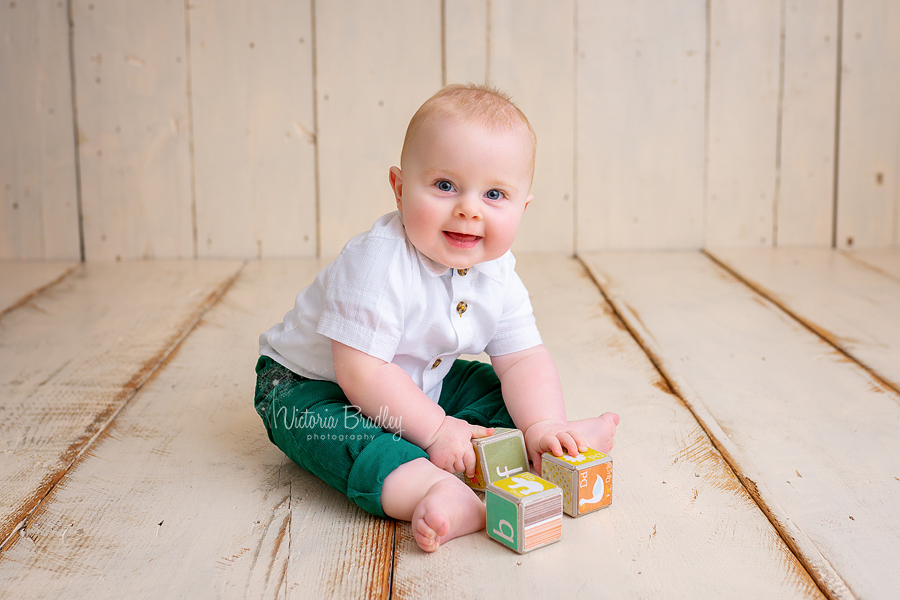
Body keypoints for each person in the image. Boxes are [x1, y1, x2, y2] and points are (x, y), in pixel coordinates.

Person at [254, 83, 619, 552]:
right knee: (337, 433)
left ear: (523, 207)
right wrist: (438, 429)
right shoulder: (378, 263)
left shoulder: (498, 273)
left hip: (417, 377)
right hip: (312, 386)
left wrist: (543, 420)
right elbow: (360, 373)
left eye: (494, 194)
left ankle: (546, 441)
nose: (468, 208)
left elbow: (524, 358)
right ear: (400, 188)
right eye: (445, 186)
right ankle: (429, 487)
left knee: (491, 383)